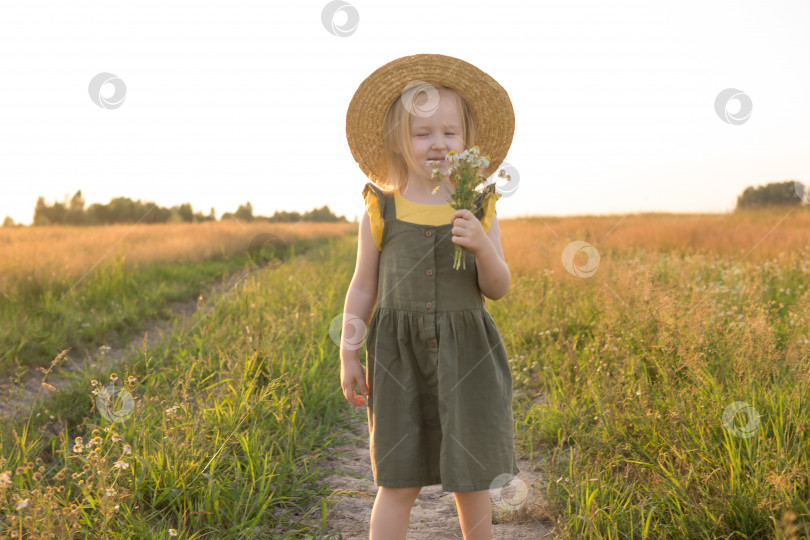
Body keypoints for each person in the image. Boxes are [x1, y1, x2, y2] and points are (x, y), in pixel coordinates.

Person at [340, 53, 519, 540]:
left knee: (472, 478)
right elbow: (363, 286)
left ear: (467, 142)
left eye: (450, 132)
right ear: (401, 142)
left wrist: (482, 246)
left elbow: (497, 288)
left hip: (468, 355)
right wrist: (349, 351)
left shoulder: (477, 205)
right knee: (397, 481)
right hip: (398, 357)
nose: (438, 143)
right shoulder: (382, 208)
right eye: (423, 134)